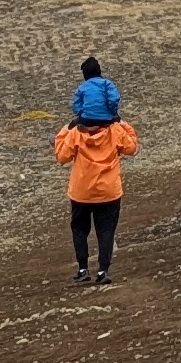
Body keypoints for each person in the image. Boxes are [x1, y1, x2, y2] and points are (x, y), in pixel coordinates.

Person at [55, 57, 137, 286]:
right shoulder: (115, 131)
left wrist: (65, 130)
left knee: (80, 230)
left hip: (81, 192)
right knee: (106, 230)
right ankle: (103, 271)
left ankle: (82, 269)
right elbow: (132, 148)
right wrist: (122, 123)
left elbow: (61, 157)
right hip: (108, 192)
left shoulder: (75, 133)